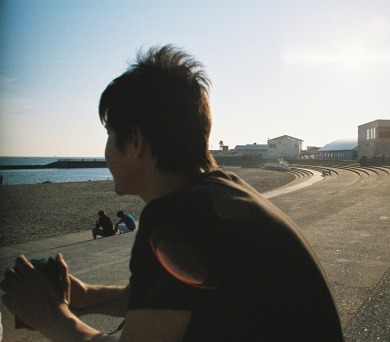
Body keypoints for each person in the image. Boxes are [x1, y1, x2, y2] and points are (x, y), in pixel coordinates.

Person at [0, 45, 344, 341]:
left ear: (135, 143)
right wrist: (85, 296)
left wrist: (49, 315)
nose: (105, 151)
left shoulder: (177, 216)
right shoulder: (222, 196)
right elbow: (171, 294)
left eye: (109, 135)